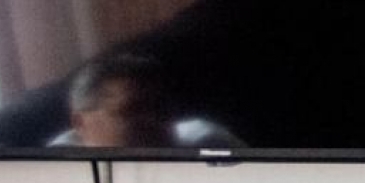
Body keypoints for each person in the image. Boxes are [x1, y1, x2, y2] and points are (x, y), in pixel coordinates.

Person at [51, 52, 242, 149]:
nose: (153, 120)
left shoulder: (206, 141)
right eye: (132, 110)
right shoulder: (53, 172)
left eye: (161, 109)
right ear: (80, 123)